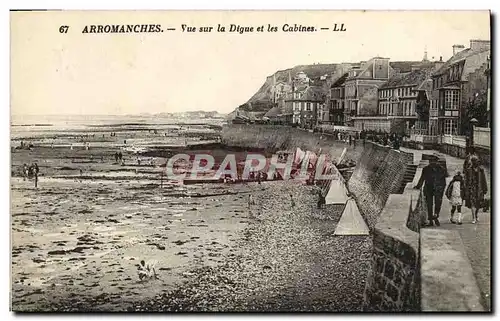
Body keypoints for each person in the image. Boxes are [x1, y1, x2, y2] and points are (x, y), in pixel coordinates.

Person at [415, 155, 447, 226]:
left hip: (438, 189)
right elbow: (422, 179)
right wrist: (418, 186)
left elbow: (443, 181)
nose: (432, 162)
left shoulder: (441, 169)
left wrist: (442, 189)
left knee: (437, 204)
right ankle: (430, 220)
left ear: (436, 161)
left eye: (433, 161)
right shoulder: (426, 169)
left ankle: (435, 216)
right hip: (428, 189)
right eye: (431, 161)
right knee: (429, 204)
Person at [464, 155, 487, 224]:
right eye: (473, 161)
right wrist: (466, 189)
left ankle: (476, 215)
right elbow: (466, 180)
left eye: (476, 161)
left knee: (478, 204)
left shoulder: (481, 170)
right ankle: (473, 217)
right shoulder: (468, 170)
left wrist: (485, 188)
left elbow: (483, 180)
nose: (475, 162)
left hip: (479, 189)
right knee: (472, 203)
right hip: (471, 188)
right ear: (472, 162)